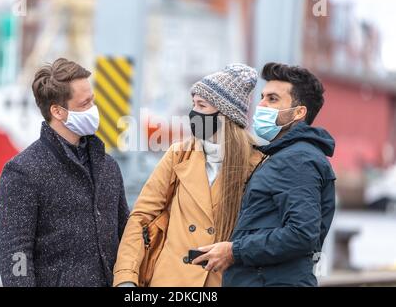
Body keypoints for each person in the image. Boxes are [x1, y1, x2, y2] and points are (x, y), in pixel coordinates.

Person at [113, 64, 263, 287]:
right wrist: (126, 277)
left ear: (224, 115)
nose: (193, 113)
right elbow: (141, 217)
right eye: (193, 104)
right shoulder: (179, 154)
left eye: (201, 105)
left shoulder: (257, 164)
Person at [192, 62, 336, 287]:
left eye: (272, 99)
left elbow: (302, 234)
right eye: (262, 97)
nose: (261, 105)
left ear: (299, 112)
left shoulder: (297, 160)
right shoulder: (284, 154)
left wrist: (233, 251)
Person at [0, 58, 129, 286]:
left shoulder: (109, 167)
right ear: (57, 111)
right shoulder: (22, 172)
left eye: (92, 101)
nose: (93, 110)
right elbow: (15, 255)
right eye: (84, 104)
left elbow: (127, 236)